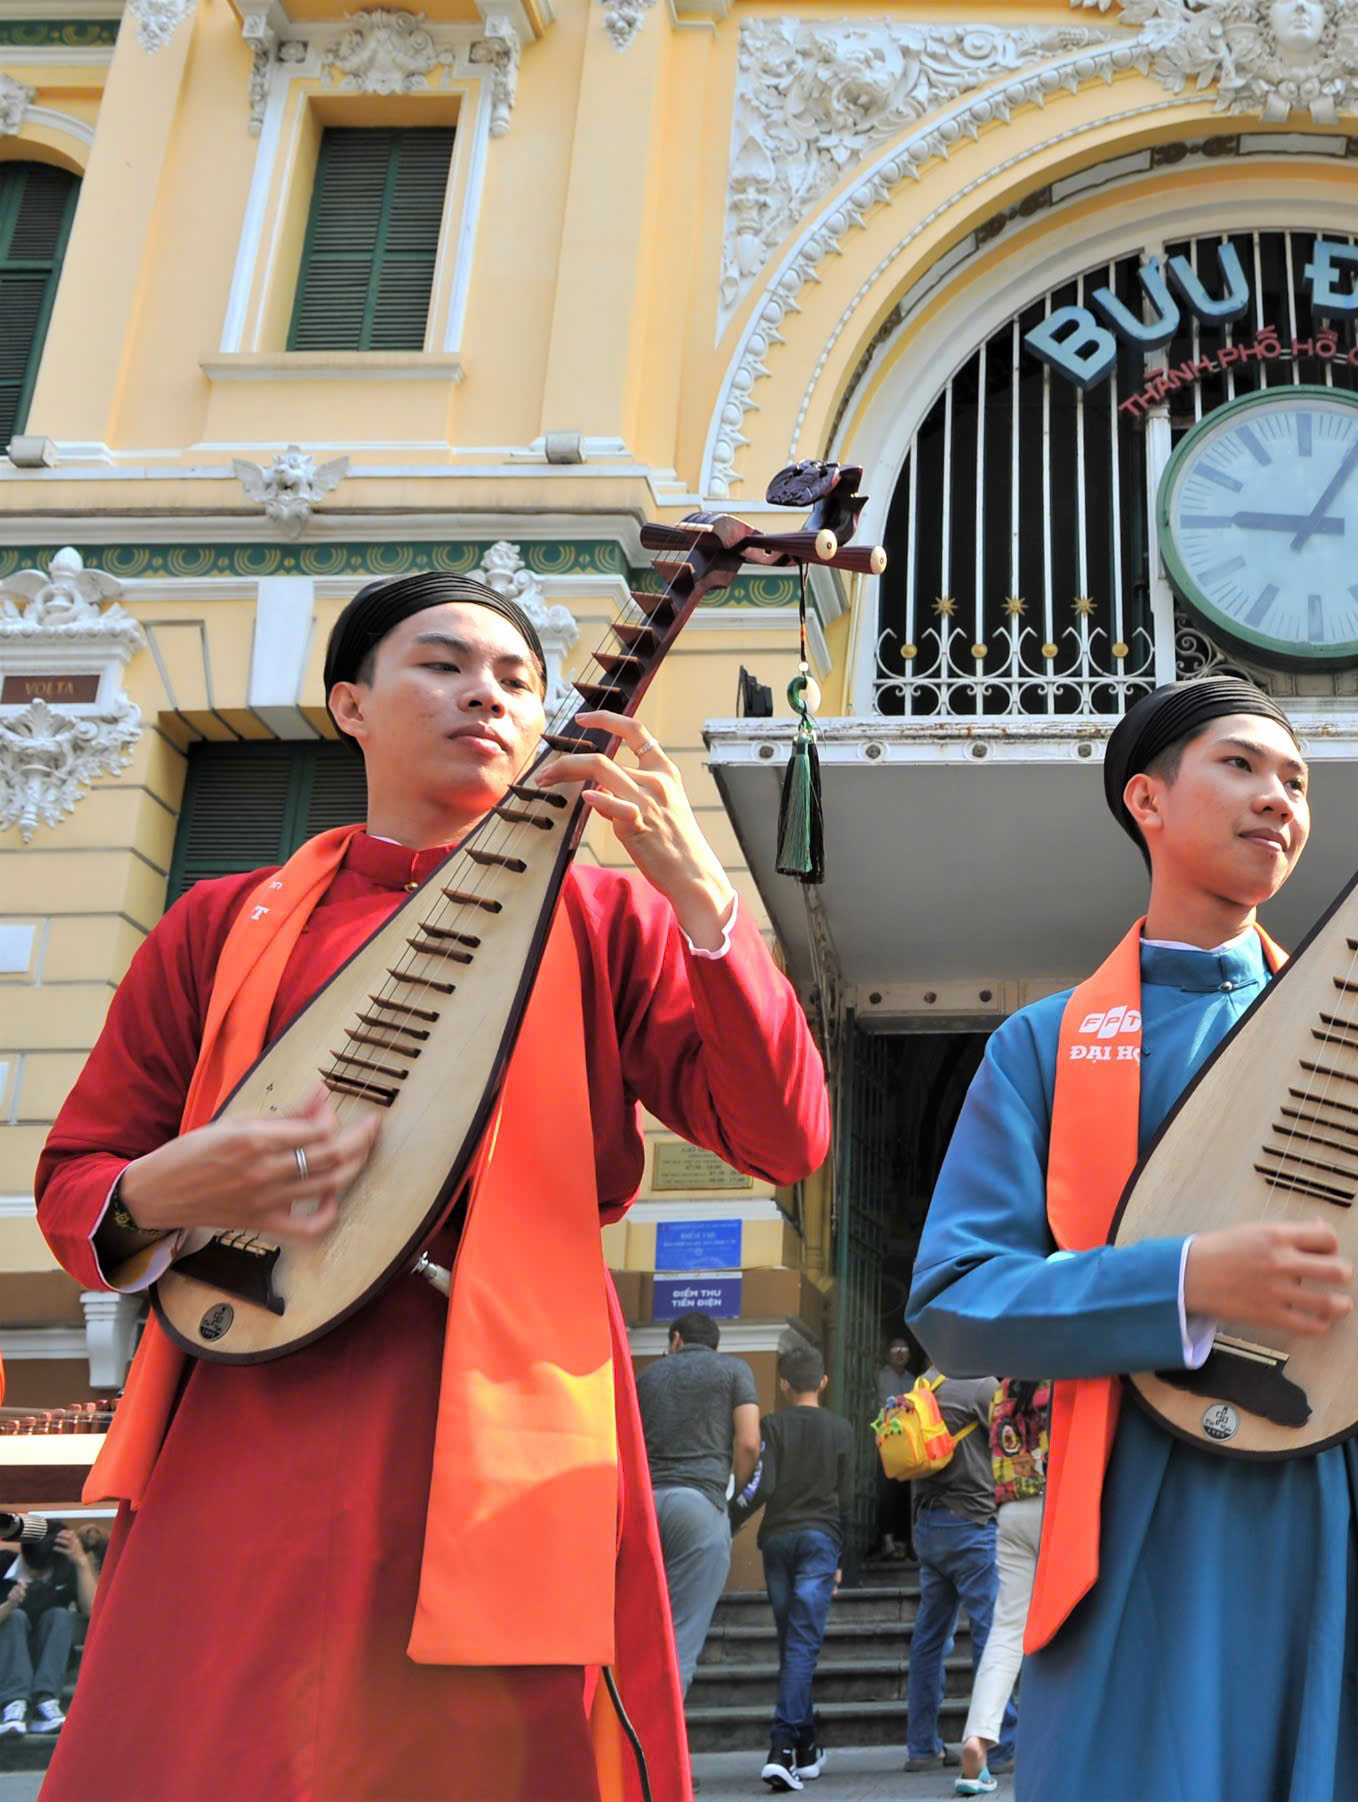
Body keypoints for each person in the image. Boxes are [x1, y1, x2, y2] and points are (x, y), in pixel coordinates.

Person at [32, 570, 831, 1801]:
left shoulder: (604, 912)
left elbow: (783, 1135)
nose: (489, 697)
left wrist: (705, 900)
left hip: (509, 1405)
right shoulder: (222, 918)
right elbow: (78, 1181)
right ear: (349, 703)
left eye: (519, 679)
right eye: (444, 664)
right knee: (219, 1744)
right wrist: (173, 1181)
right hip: (251, 1399)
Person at [907, 677, 1358, 1802]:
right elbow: (955, 1297)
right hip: (1151, 1509)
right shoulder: (1046, 1045)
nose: (1277, 798)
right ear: (1145, 798)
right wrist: (1187, 1278)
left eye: (1295, 779)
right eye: (1239, 765)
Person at [732, 1335, 865, 1793]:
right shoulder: (842, 1429)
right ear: (824, 1382)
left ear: (785, 1384)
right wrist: (842, 1557)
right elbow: (845, 1501)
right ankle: (782, 1747)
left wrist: (730, 1517)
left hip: (778, 1541)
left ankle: (806, 1748)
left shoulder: (772, 1425)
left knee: (793, 1644)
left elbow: (762, 1486)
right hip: (820, 1540)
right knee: (803, 1645)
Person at [637, 1309, 762, 1692]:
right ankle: (660, 1749)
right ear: (715, 1345)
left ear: (675, 1340)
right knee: (680, 1642)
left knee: (635, 1634)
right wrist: (731, 1497)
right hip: (699, 1506)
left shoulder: (645, 1377)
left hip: (641, 1512)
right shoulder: (733, 1370)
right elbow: (749, 1443)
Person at [901, 1368, 1014, 1779]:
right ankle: (998, 1747)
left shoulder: (920, 1386)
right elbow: (1009, 1443)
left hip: (927, 1528)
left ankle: (921, 1745)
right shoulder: (982, 1388)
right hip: (972, 1523)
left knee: (930, 1636)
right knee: (991, 1634)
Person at [958, 1379, 1051, 1796]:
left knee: (1007, 1630)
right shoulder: (1061, 1380)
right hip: (1056, 1508)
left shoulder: (1003, 1391)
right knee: (1067, 1626)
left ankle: (978, 1735)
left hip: (1010, 1512)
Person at [0, 1520, 96, 1735]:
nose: (38, 1577)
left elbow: (93, 1612)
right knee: (14, 1617)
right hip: (8, 1654)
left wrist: (81, 1562)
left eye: (44, 1572)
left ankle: (46, 1702)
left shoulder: (65, 1570)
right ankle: (14, 1705)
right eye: (32, 1570)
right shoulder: (4, 1563)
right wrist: (9, 1604)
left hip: (50, 1657)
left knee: (59, 1615)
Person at [877, 1335, 917, 1560]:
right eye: (895, 1348)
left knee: (906, 1494)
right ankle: (887, 1542)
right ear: (888, 1354)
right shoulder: (880, 1377)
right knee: (886, 1492)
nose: (900, 1352)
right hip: (885, 1442)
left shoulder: (913, 1381)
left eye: (904, 1348)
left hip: (908, 1445)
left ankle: (904, 1543)